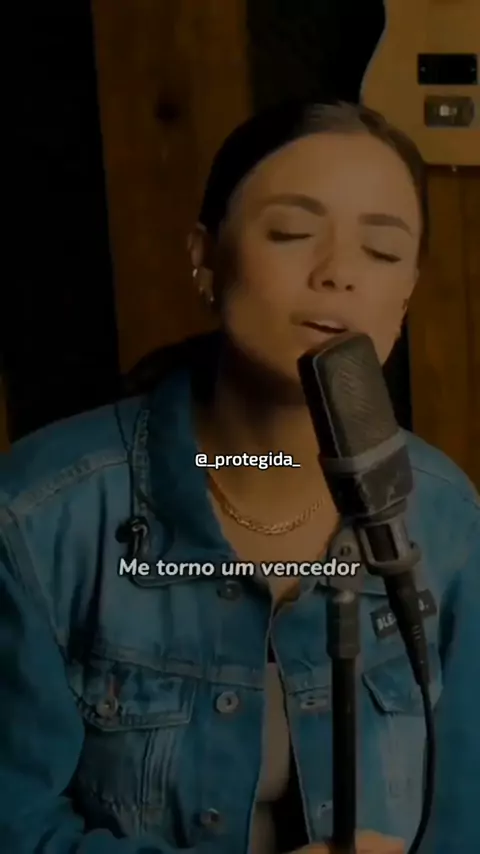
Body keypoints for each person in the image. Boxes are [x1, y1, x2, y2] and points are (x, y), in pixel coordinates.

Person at [0, 100, 479, 854]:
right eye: (291, 233)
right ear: (205, 256)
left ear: (408, 296)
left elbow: (465, 811)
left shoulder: (445, 511)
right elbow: (16, 824)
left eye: (382, 251)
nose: (338, 274)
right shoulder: (40, 512)